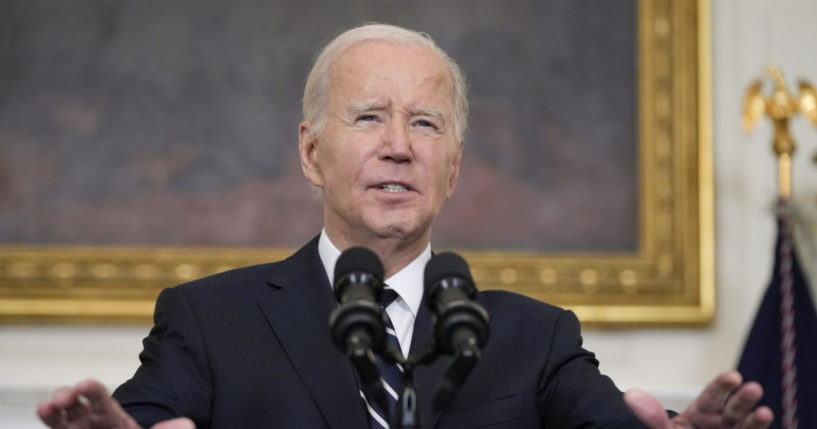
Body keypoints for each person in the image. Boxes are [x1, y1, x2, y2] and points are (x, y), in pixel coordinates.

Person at [37, 23, 773, 429]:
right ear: (310, 150)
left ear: (452, 168)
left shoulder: (532, 338)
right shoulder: (210, 320)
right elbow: (139, 421)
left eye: (425, 123)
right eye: (368, 118)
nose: (399, 144)